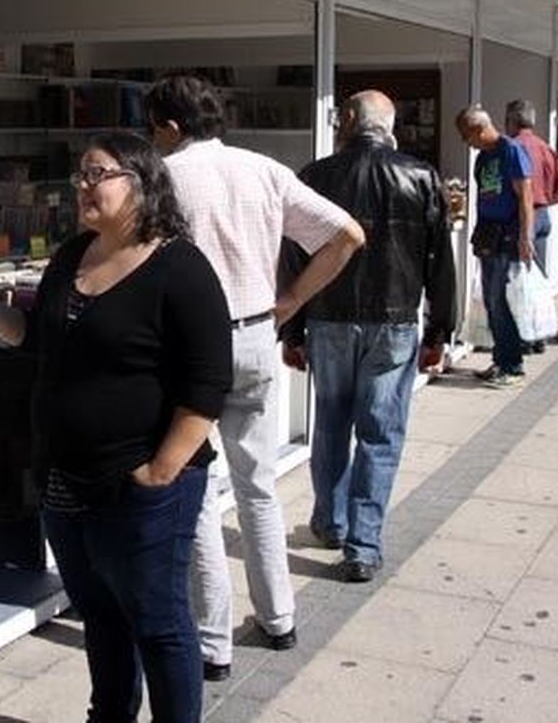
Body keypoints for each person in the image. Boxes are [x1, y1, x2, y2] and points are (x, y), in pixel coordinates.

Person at [0, 134, 233, 723]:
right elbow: (35, 338)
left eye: (98, 174)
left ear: (140, 183)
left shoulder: (181, 268)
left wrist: (162, 470)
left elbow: (207, 385)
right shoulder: (74, 254)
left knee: (159, 622)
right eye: (80, 177)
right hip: (63, 479)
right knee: (100, 612)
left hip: (141, 487)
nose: (84, 187)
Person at [144, 74, 363, 682]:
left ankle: (212, 643)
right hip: (256, 332)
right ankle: (279, 617)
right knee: (257, 485)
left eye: (152, 125)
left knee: (194, 493)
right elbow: (347, 235)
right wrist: (292, 298)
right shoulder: (264, 169)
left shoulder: (165, 177)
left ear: (168, 126)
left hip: (191, 346)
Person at [281, 91, 455, 583]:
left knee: (332, 422)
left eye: (339, 116)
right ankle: (362, 544)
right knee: (380, 434)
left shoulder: (317, 176)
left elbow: (294, 256)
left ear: (352, 121)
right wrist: (441, 328)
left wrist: (292, 327)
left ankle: (331, 522)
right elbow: (439, 260)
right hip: (394, 320)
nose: (336, 123)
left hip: (329, 317)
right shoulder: (420, 176)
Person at [455, 105, 533, 388]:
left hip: (507, 234)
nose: (467, 143)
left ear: (479, 129)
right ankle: (501, 359)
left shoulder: (510, 150)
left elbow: (525, 195)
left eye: (467, 136)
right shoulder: (483, 158)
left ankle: (513, 363)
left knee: (500, 300)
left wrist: (526, 236)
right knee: (490, 299)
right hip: (488, 233)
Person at [505, 100, 558, 353]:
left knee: (518, 281)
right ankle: (538, 333)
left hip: (520, 218)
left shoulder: (511, 148)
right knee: (537, 280)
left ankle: (524, 336)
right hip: (542, 216)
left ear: (511, 120)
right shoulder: (544, 148)